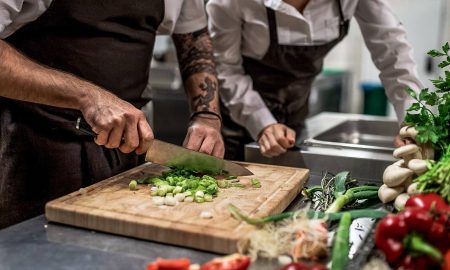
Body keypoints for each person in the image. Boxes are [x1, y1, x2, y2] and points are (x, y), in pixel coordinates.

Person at [0, 0, 224, 229]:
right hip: (34, 149)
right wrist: (87, 96)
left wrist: (206, 115)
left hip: (125, 152)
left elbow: (194, 38)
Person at [206, 0, 423, 160]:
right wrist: (262, 122)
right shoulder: (230, 2)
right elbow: (226, 69)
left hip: (296, 118)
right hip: (236, 124)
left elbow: (394, 55)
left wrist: (413, 124)